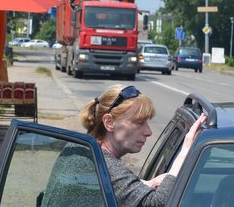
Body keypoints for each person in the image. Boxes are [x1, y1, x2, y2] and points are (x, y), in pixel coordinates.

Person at [79, 84, 207, 207]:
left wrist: (146, 184)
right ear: (109, 122)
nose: (149, 132)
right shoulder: (103, 165)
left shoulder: (89, 155)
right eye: (139, 122)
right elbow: (158, 203)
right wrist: (184, 152)